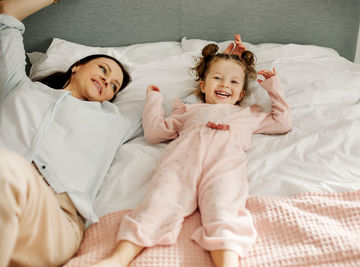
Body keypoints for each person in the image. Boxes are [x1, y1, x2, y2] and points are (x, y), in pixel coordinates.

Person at [92, 38, 292, 267]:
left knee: (225, 209)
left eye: (234, 82)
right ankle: (119, 258)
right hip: (181, 164)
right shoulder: (188, 111)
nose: (225, 85)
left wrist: (273, 87)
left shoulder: (248, 115)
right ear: (204, 86)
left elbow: (282, 122)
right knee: (159, 202)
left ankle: (228, 263)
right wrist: (153, 102)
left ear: (241, 94)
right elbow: (155, 133)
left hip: (225, 167)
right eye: (217, 78)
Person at [0, 0, 134, 266]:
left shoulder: (115, 121)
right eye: (103, 70)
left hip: (55, 218)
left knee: (7, 168)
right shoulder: (19, 87)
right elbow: (7, 16)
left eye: (114, 86)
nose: (107, 81)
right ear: (77, 66)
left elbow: (187, 111)